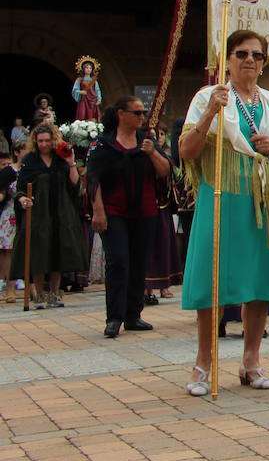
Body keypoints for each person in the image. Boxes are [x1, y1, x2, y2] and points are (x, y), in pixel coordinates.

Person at [177, 30, 269, 395]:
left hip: (263, 200)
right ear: (227, 59)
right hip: (220, 195)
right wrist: (208, 115)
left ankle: (251, 360)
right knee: (211, 281)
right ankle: (203, 362)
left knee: (260, 283)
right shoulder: (208, 96)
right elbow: (186, 151)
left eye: (257, 55)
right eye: (241, 54)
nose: (249, 60)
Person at [86, 96, 169, 338]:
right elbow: (92, 178)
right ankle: (114, 317)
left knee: (138, 263)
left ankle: (134, 315)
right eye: (137, 112)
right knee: (118, 261)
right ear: (121, 114)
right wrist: (98, 211)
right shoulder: (103, 144)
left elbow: (164, 171)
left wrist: (152, 152)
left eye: (143, 112)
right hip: (114, 212)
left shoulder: (147, 140)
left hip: (145, 212)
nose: (141, 117)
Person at [13, 124, 84, 309]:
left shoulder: (61, 159)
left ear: (54, 140)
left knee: (58, 250)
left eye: (47, 140)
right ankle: (39, 294)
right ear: (35, 142)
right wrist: (22, 199)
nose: (44, 144)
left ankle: (54, 292)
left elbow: (75, 186)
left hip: (61, 213)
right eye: (41, 140)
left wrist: (71, 162)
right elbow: (20, 188)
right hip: (38, 214)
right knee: (38, 252)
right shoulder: (30, 161)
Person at [1, 152, 18, 302]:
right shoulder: (8, 173)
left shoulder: (29, 168)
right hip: (10, 213)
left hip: (26, 212)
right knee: (7, 250)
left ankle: (31, 286)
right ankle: (8, 286)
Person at [71, 58, 103, 123]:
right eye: (87, 68)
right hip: (84, 100)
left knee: (92, 117)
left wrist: (99, 99)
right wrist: (81, 92)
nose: (88, 69)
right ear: (83, 69)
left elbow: (97, 90)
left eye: (90, 68)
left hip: (93, 101)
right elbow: (74, 90)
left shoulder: (94, 80)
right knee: (82, 114)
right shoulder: (79, 79)